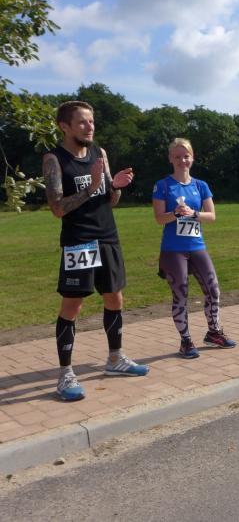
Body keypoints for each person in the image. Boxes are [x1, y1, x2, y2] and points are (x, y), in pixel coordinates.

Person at [43, 101, 150, 402]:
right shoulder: (54, 159)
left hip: (108, 236)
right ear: (65, 126)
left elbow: (111, 200)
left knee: (115, 297)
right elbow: (57, 209)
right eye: (82, 122)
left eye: (91, 121)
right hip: (79, 240)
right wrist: (90, 187)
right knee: (73, 305)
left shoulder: (99, 154)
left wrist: (115, 186)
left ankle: (115, 359)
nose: (89, 127)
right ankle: (65, 374)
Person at [152, 138, 236, 359]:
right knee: (181, 294)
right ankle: (186, 341)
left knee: (213, 289)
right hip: (173, 249)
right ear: (171, 159)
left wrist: (194, 214)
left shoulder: (201, 185)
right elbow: (159, 218)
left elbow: (212, 216)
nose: (182, 160)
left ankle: (214, 332)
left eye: (186, 156)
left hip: (197, 246)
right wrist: (175, 213)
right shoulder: (163, 185)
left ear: (193, 158)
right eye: (178, 157)